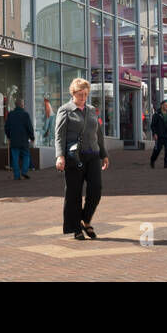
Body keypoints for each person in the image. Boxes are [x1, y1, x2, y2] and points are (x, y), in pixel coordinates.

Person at [55, 78, 109, 240]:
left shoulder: (92, 110)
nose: (83, 98)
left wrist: (104, 154)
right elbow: (59, 135)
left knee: (96, 190)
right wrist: (60, 156)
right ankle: (76, 227)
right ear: (73, 93)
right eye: (80, 94)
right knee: (74, 193)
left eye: (85, 94)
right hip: (74, 157)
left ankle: (85, 220)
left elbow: (98, 134)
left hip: (93, 155)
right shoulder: (65, 110)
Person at [4, 95, 35, 180]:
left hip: (14, 140)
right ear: (22, 105)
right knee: (26, 155)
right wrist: (32, 137)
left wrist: (9, 136)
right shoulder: (25, 115)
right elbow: (29, 127)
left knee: (15, 157)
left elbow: (6, 127)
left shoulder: (11, 115)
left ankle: (17, 175)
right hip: (24, 140)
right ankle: (24, 171)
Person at [150, 99, 167, 168]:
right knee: (157, 149)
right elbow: (153, 125)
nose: (166, 107)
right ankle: (152, 160)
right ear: (161, 106)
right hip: (159, 135)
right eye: (165, 105)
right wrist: (154, 133)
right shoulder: (157, 114)